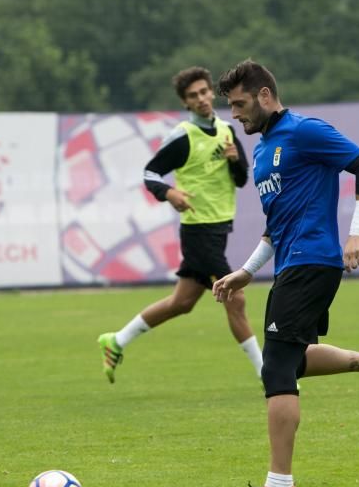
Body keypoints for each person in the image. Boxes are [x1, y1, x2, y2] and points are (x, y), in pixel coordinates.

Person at [210, 60, 359, 487]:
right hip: (293, 264)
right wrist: (246, 270)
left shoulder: (304, 131)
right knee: (293, 357)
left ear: (265, 96)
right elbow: (275, 224)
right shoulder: (264, 151)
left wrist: (357, 232)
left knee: (276, 368)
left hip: (313, 261)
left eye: (240, 105)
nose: (235, 116)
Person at [97, 66, 262, 382]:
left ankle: (116, 340)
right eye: (192, 96)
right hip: (198, 230)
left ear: (211, 93)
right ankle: (267, 373)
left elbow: (241, 180)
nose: (200, 99)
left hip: (218, 228)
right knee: (235, 297)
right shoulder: (183, 137)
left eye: (203, 92)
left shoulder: (228, 131)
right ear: (185, 103)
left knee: (182, 303)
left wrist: (235, 161)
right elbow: (150, 173)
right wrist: (169, 191)